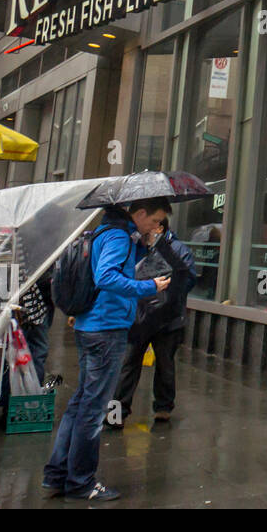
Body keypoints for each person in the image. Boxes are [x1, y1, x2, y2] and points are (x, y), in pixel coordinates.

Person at [41, 198, 172, 502]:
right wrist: (149, 287)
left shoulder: (111, 232)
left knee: (80, 404)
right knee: (93, 409)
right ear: (139, 213)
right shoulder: (116, 235)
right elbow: (107, 277)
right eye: (154, 220)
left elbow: (117, 267)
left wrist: (142, 245)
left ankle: (57, 475)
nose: (156, 227)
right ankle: (81, 482)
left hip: (93, 326)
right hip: (106, 329)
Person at [112, 217, 198, 425]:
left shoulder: (177, 248)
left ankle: (163, 407)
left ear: (159, 227)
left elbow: (187, 279)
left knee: (165, 363)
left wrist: (165, 302)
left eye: (148, 223)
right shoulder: (136, 247)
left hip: (168, 319)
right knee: (129, 364)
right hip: (139, 317)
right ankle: (117, 412)